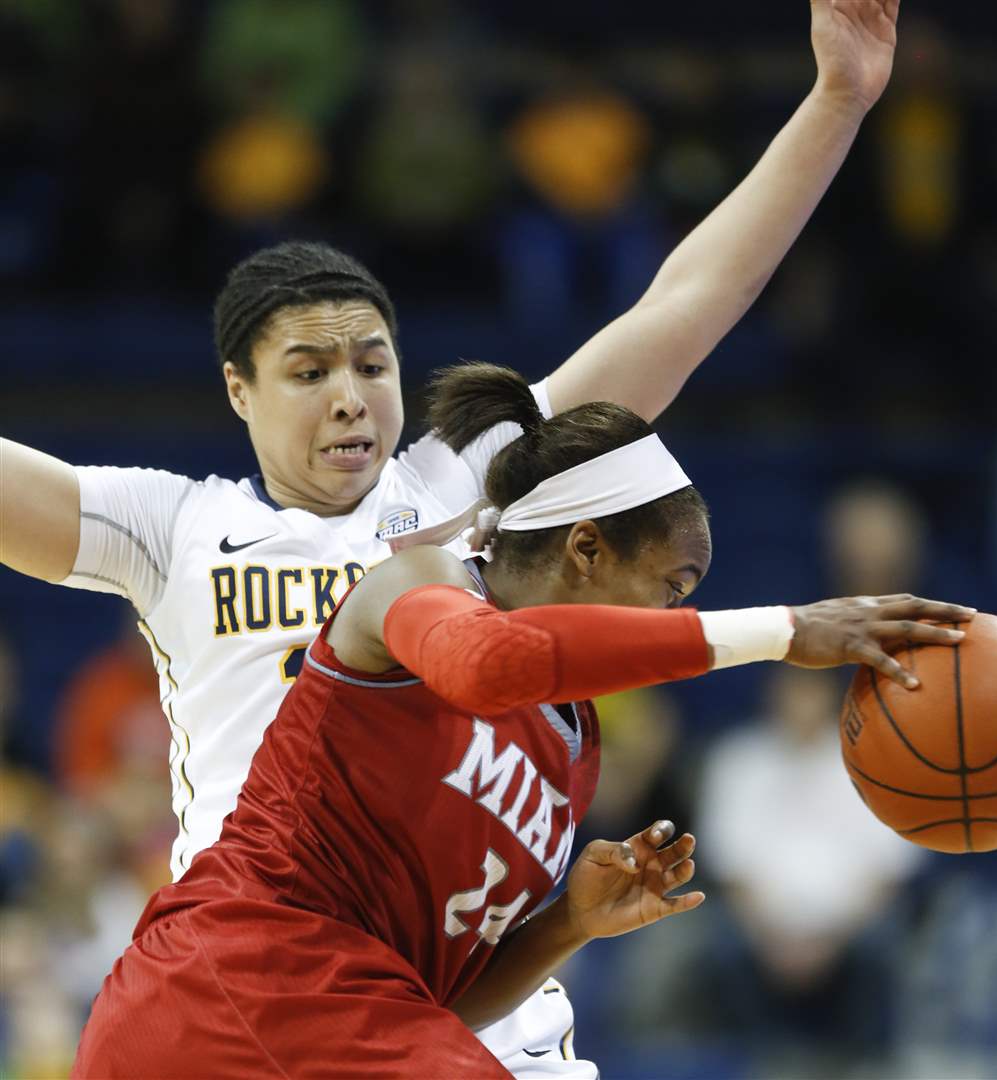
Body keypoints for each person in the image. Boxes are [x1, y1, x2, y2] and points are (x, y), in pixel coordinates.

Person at [0, 2, 903, 1071]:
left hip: (463, 998)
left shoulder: (468, 488)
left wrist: (838, 100)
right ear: (238, 392)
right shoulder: (177, 524)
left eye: (372, 366)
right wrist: (778, 630)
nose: (350, 398)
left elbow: (693, 300)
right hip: (273, 978)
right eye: (309, 372)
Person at [72, 366, 973, 1078]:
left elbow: (438, 1004)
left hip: (331, 1024)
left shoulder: (574, 747)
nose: (669, 623)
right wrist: (785, 630)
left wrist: (565, 926)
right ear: (585, 547)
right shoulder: (419, 582)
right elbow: (487, 664)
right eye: (671, 589)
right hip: (233, 987)